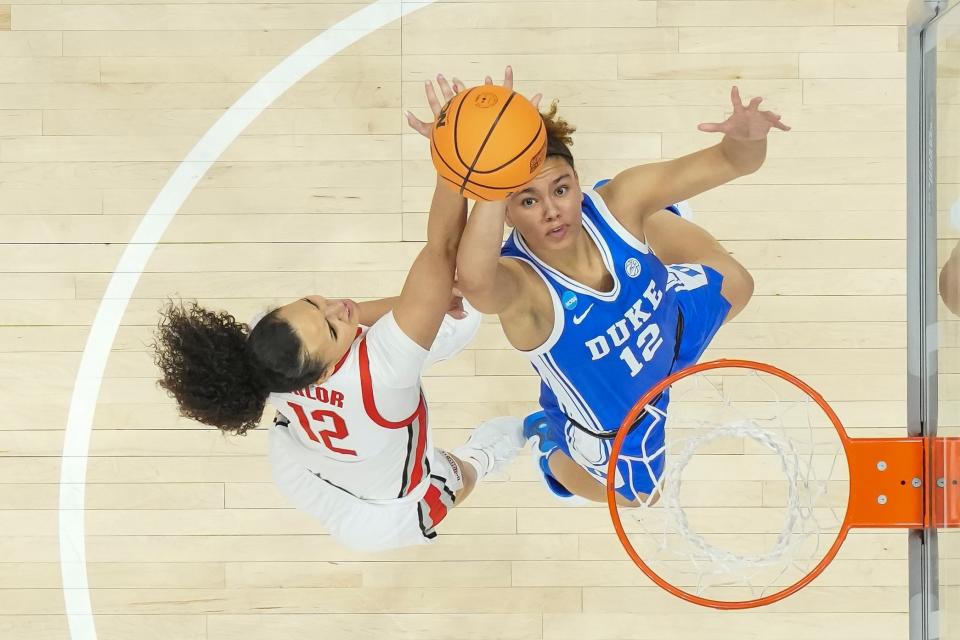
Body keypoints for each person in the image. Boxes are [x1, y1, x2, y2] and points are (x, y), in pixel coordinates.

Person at [153, 73, 525, 551]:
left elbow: (360, 313)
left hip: (303, 467)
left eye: (314, 302)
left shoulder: (268, 359)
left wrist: (424, 303)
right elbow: (443, 249)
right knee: (458, 476)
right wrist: (456, 160)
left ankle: (426, 321)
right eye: (331, 323)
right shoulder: (382, 375)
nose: (336, 306)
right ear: (327, 369)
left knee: (449, 312)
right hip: (388, 508)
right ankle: (492, 453)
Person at [456, 67, 790, 506]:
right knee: (641, 498)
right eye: (528, 201)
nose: (552, 211)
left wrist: (747, 139)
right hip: (618, 413)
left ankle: (650, 220)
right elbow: (475, 283)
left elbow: (732, 161)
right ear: (506, 213)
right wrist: (490, 180)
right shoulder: (523, 287)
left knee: (739, 284)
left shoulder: (617, 200)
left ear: (577, 185)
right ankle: (550, 445)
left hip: (668, 329)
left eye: (561, 190)